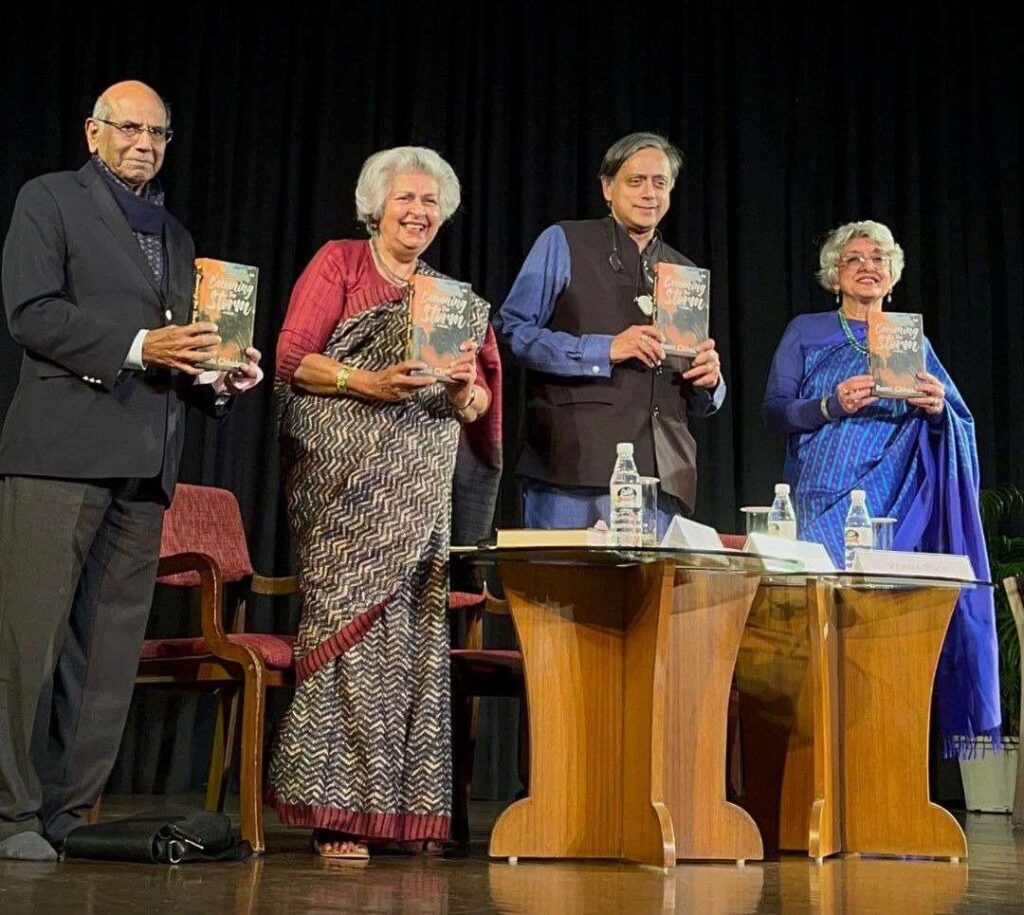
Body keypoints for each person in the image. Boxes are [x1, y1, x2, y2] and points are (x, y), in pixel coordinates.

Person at [0, 80, 262, 861]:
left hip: (145, 465)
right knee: (28, 642)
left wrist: (217, 376)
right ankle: (10, 812)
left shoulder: (177, 236)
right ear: (93, 133)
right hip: (59, 455)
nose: (144, 142)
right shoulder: (49, 201)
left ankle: (70, 809)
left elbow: (181, 347)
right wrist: (141, 345)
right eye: (129, 128)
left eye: (158, 132)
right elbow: (32, 312)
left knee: (107, 654)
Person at [269, 146, 497, 860]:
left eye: (431, 203)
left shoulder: (451, 297)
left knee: (414, 648)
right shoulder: (339, 263)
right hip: (345, 494)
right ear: (376, 205)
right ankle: (337, 813)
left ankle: (405, 815)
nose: (419, 212)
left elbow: (480, 400)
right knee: (353, 642)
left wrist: (463, 392)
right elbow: (289, 359)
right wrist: (363, 383)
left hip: (418, 501)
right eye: (406, 199)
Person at [762, 219, 999, 752]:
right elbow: (775, 414)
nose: (867, 266)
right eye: (854, 259)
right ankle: (817, 762)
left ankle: (882, 767)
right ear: (834, 275)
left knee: (880, 644)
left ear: (891, 275)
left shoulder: (910, 341)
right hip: (821, 502)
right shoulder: (807, 331)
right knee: (821, 640)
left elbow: (956, 423)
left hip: (893, 515)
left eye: (879, 258)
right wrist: (831, 404)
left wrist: (939, 411)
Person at [494, 131, 725, 534]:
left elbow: (696, 395)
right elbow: (511, 332)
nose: (649, 193)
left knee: (646, 599)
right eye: (636, 181)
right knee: (562, 596)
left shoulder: (683, 272)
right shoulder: (564, 241)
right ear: (607, 188)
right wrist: (606, 349)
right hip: (572, 467)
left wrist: (710, 380)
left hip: (660, 476)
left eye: (660, 182)